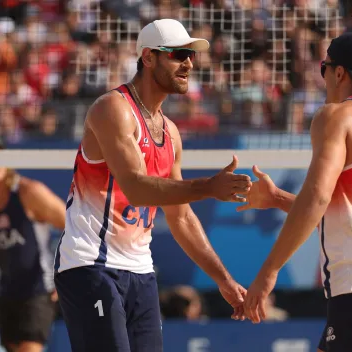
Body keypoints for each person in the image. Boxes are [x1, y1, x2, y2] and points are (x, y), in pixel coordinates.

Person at [53, 19, 251, 352]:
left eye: (190, 55)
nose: (188, 63)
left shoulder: (170, 132)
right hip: (91, 265)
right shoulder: (112, 109)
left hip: (140, 271)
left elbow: (182, 217)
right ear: (148, 58)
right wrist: (209, 187)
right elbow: (137, 189)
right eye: (177, 54)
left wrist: (224, 279)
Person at [239, 31, 352, 352]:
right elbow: (348, 211)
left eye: (324, 68)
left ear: (339, 72)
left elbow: (317, 198)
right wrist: (277, 198)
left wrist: (269, 272)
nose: (322, 78)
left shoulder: (338, 116)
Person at [0, 138, 65, 352]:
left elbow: (75, 226)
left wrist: (65, 272)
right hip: (7, 292)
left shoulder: (29, 192)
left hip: (37, 290)